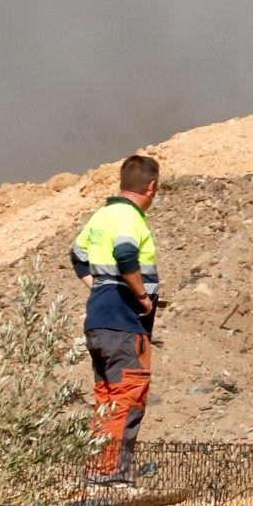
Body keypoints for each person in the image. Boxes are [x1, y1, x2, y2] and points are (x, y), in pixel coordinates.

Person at [71, 153, 162, 488]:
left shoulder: (101, 216)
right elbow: (125, 254)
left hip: (98, 323)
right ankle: (110, 475)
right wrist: (140, 295)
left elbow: (77, 255)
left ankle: (98, 470)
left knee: (106, 399)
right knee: (127, 396)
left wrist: (99, 287)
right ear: (151, 187)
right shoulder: (129, 219)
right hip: (124, 325)